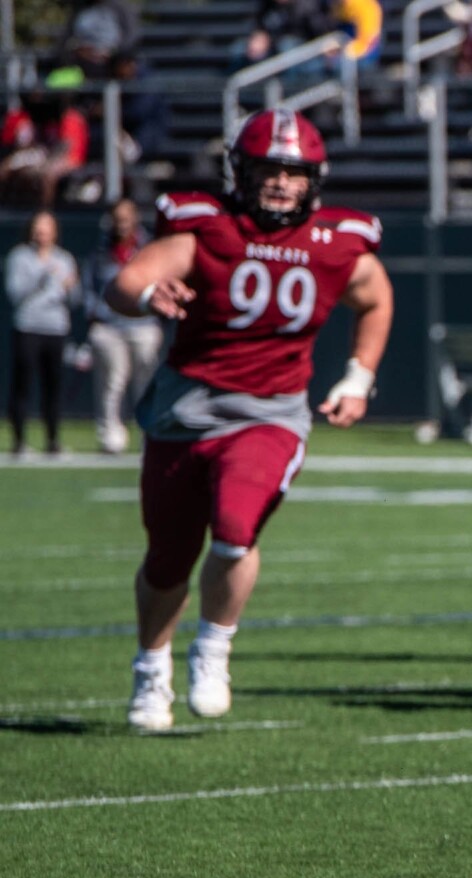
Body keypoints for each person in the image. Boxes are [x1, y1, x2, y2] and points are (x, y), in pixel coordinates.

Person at [106, 109, 390, 731]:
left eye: (294, 172)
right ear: (242, 170)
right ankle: (151, 670)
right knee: (168, 557)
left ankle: (213, 648)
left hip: (270, 412)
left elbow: (375, 296)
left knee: (236, 528)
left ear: (314, 178)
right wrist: (145, 295)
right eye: (269, 170)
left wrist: (358, 375)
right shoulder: (205, 227)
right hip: (185, 409)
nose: (282, 184)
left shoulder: (336, 240)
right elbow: (126, 283)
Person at [83, 199, 163, 456]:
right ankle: (110, 436)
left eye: (127, 217)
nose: (122, 224)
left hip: (143, 324)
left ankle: (147, 433)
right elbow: (89, 287)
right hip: (109, 326)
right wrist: (96, 314)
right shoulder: (99, 250)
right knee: (112, 382)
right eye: (117, 218)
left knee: (145, 383)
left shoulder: (150, 248)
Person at [6, 210, 78, 458]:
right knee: (22, 385)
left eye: (46, 228)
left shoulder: (65, 258)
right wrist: (42, 276)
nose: (42, 233)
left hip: (55, 328)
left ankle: (53, 440)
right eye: (38, 227)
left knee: (53, 386)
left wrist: (70, 287)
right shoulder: (19, 257)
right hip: (28, 326)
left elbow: (74, 297)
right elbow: (15, 292)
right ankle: (19, 441)